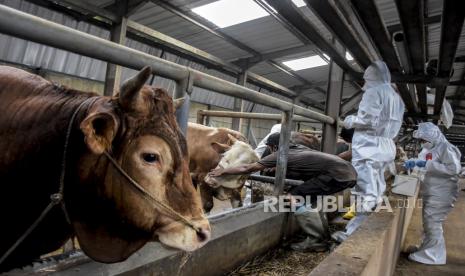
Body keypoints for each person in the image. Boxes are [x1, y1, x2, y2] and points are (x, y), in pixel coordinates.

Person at [208, 132, 357, 251]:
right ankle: (323, 235)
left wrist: (223, 171)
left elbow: (246, 168)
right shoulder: (301, 149)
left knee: (293, 198)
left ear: (273, 147)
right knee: (308, 200)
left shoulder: (280, 154)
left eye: (271, 148)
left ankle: (316, 240)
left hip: (336, 176)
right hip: (348, 173)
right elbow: (303, 166)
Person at [332, 61, 405, 242]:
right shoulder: (397, 98)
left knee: (365, 190)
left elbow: (367, 121)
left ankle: (354, 233)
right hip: (386, 145)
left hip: (369, 147)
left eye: (367, 78)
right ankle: (368, 224)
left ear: (372, 77)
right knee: (376, 186)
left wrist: (349, 121)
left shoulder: (374, 92)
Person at [404, 122, 461, 265]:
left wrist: (427, 165)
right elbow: (423, 162)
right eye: (421, 140)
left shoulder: (445, 148)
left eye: (424, 140)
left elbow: (454, 169)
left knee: (433, 223)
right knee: (428, 222)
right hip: (432, 189)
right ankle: (426, 249)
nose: (423, 143)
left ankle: (434, 255)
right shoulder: (430, 148)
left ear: (432, 137)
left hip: (442, 191)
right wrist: (415, 162)